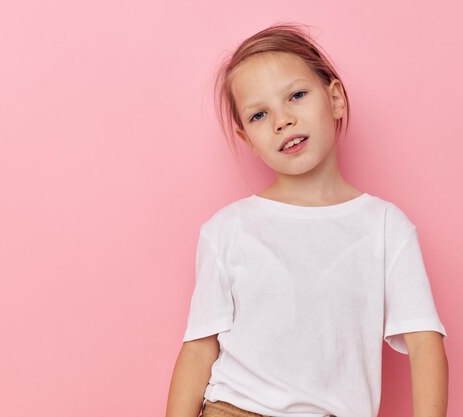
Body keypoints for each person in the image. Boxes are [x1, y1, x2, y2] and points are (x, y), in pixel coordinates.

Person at [166, 22, 448, 417]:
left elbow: (424, 342)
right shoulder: (227, 229)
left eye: (296, 95)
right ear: (247, 139)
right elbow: (199, 347)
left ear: (335, 99)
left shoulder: (385, 226)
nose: (282, 120)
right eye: (260, 114)